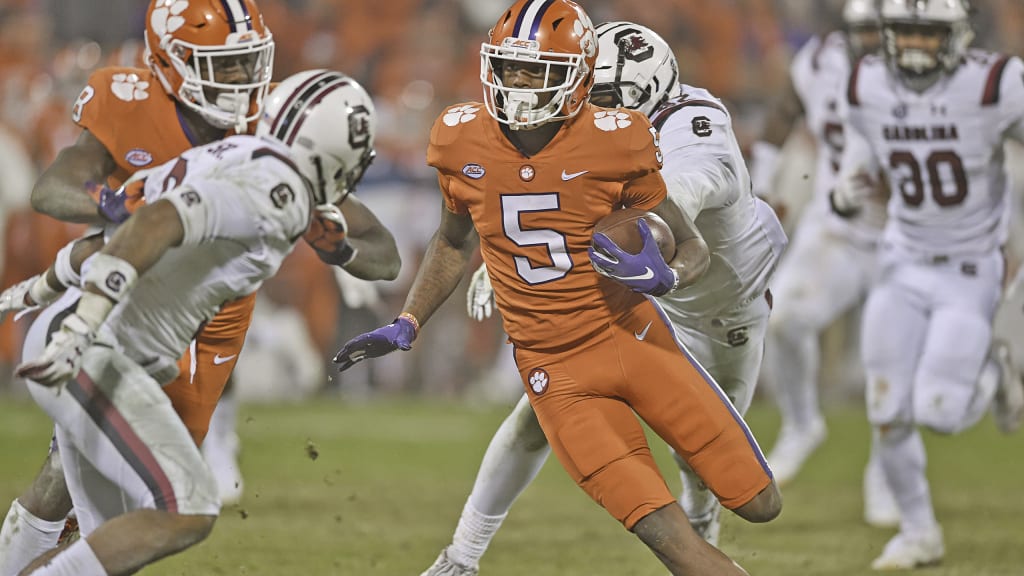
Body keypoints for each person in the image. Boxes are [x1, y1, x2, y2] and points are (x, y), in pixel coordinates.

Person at [335, 2, 780, 574]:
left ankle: (700, 513)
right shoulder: (460, 137)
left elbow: (688, 234)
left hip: (643, 334)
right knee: (675, 545)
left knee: (762, 504)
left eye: (537, 70)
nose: (519, 84)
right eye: (509, 67)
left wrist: (665, 270)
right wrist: (410, 319)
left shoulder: (623, 139)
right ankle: (460, 559)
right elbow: (453, 240)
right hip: (557, 371)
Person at [0, 68, 399, 576]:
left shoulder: (236, 157)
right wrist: (83, 325)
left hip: (92, 338)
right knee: (186, 507)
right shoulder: (274, 191)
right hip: (95, 351)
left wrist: (46, 287)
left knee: (111, 543)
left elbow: (118, 233)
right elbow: (154, 222)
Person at [832, 0, 1024, 569]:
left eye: (928, 33)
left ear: (958, 35)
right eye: (905, 31)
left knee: (939, 413)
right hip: (902, 260)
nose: (914, 44)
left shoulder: (995, 83)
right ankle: (919, 532)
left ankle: (997, 372)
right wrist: (847, 181)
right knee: (886, 407)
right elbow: (865, 136)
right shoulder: (867, 81)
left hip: (969, 268)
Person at [752, 1, 899, 526]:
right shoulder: (819, 61)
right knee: (786, 320)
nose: (870, 43)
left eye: (880, 32)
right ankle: (801, 424)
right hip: (837, 228)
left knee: (891, 364)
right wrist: (762, 184)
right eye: (862, 32)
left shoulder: (927, 77)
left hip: (906, 238)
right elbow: (783, 113)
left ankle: (887, 476)